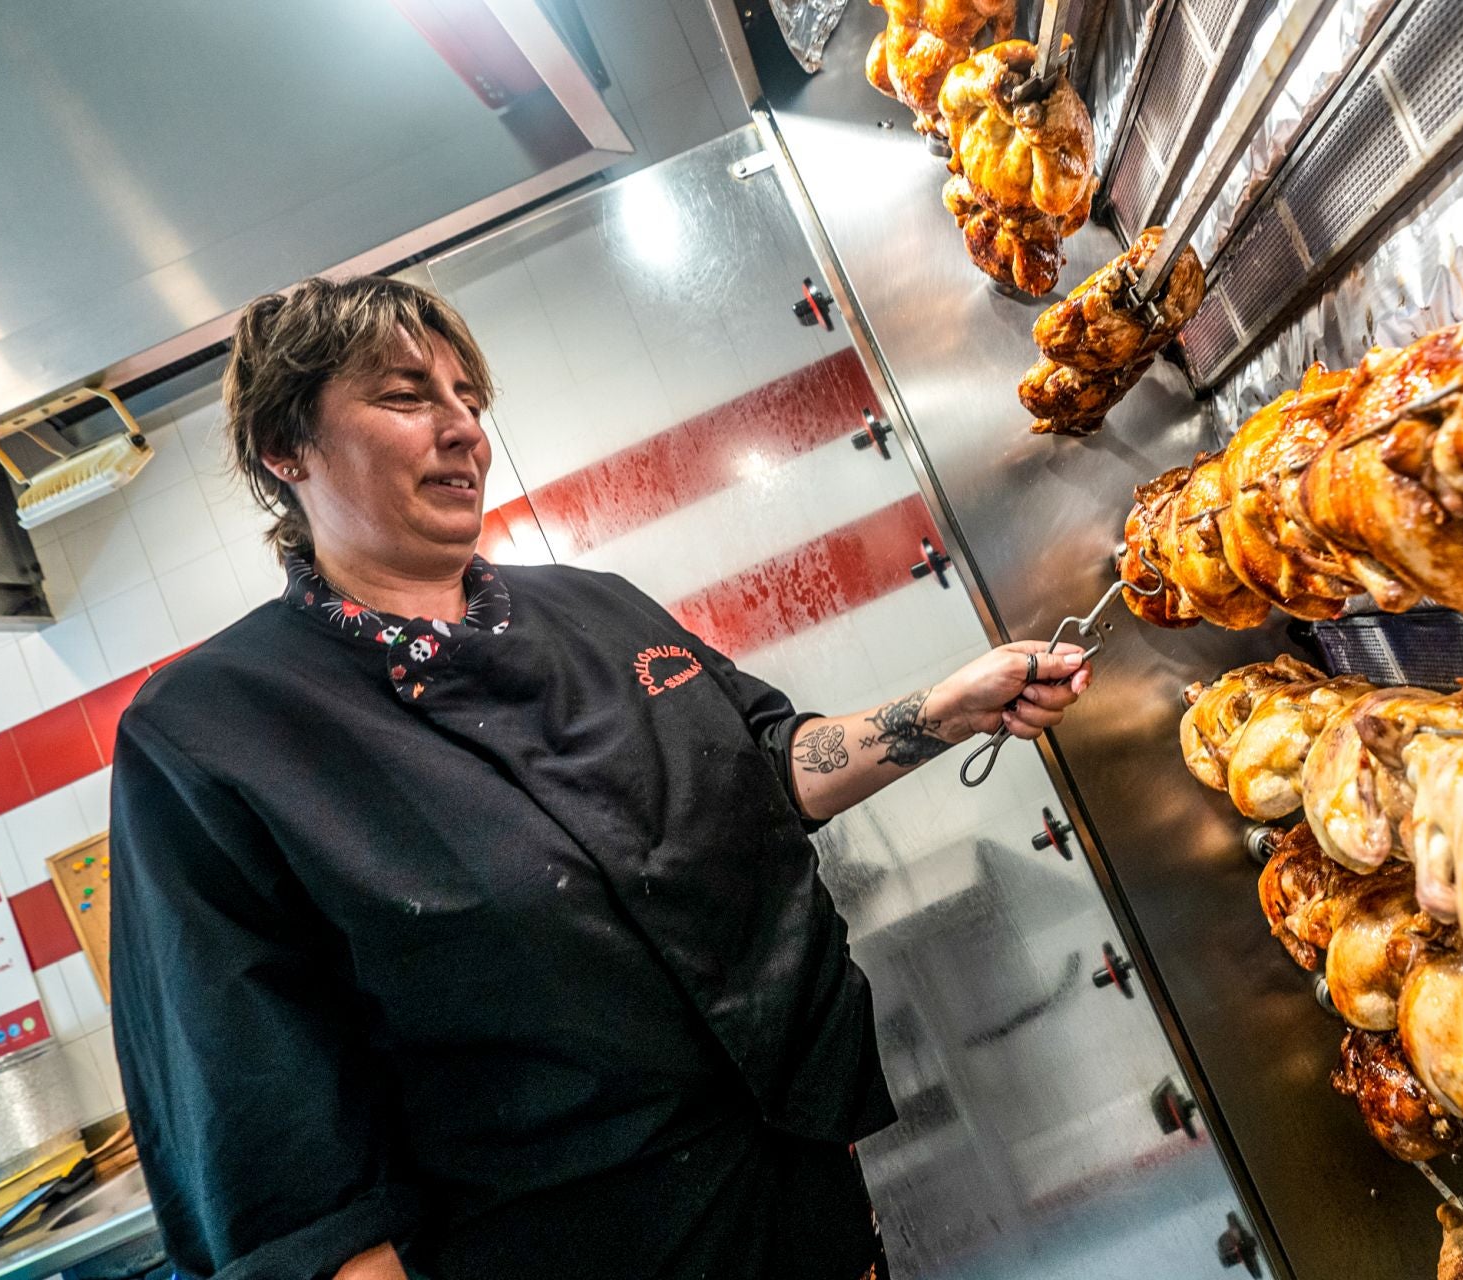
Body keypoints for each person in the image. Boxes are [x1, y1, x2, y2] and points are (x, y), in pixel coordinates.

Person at [107, 276, 1093, 1280]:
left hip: (799, 1202)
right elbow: (271, 1146)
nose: (462, 430)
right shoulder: (212, 732)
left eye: (470, 399)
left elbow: (766, 760)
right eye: (407, 397)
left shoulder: (594, 607)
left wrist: (944, 710)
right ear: (285, 446)